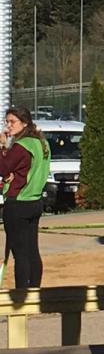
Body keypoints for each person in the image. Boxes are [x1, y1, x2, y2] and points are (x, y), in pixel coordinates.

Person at [0, 106, 50, 288]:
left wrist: (1, 146)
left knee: (20, 254)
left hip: (18, 203)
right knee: (32, 251)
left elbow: (3, 167)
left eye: (12, 122)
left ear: (25, 123)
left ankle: (22, 294)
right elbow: (21, 168)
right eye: (7, 121)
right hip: (34, 201)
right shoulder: (42, 143)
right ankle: (34, 290)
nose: (8, 125)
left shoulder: (22, 146)